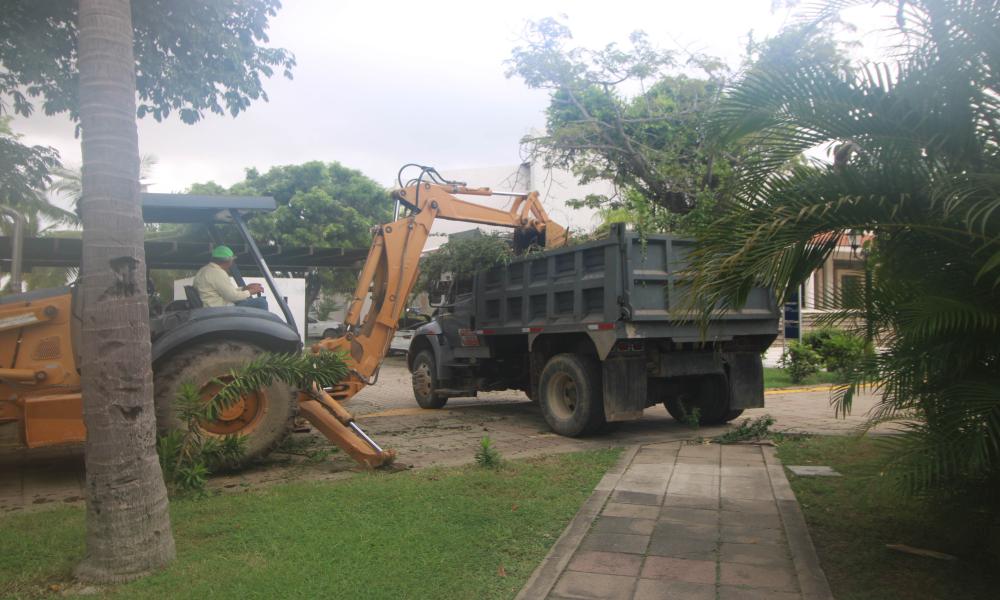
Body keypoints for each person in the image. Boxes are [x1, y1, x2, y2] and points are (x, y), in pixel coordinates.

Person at [193, 246, 268, 309]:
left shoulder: (203, 270)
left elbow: (226, 292)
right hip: (219, 309)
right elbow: (232, 297)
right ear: (227, 261)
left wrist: (244, 288)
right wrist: (251, 292)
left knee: (245, 300)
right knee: (261, 302)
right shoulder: (218, 273)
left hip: (210, 307)